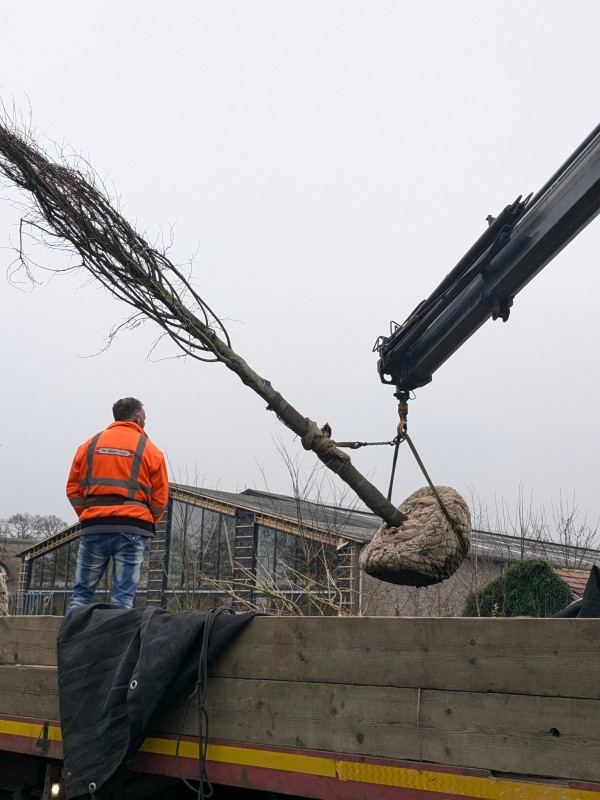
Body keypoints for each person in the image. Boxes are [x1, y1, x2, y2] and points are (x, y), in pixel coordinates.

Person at [66, 397, 168, 613]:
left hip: (94, 527)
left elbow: (72, 489)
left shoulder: (88, 446)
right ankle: (116, 647)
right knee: (122, 600)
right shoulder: (151, 451)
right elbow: (160, 500)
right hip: (132, 530)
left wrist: (88, 513)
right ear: (138, 417)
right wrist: (147, 524)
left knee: (81, 594)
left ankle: (67, 644)